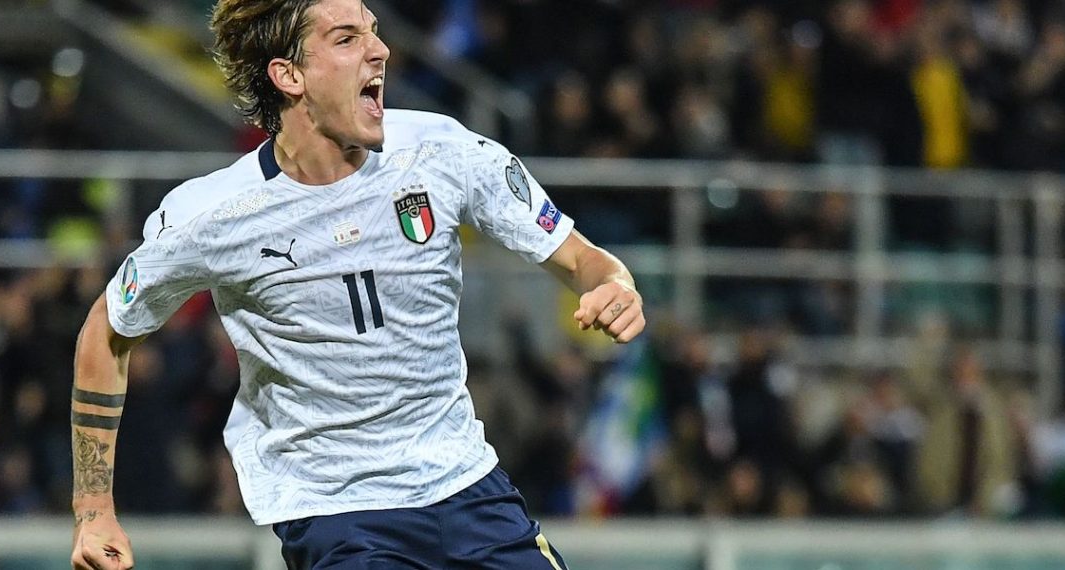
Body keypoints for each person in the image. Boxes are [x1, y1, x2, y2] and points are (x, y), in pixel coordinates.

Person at [69, 0, 646, 568]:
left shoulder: (441, 152)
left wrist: (613, 283)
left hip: (466, 484)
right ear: (288, 75)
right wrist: (93, 509)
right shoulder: (213, 215)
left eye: (373, 31)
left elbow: (583, 258)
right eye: (347, 39)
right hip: (336, 511)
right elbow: (108, 331)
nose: (381, 49)